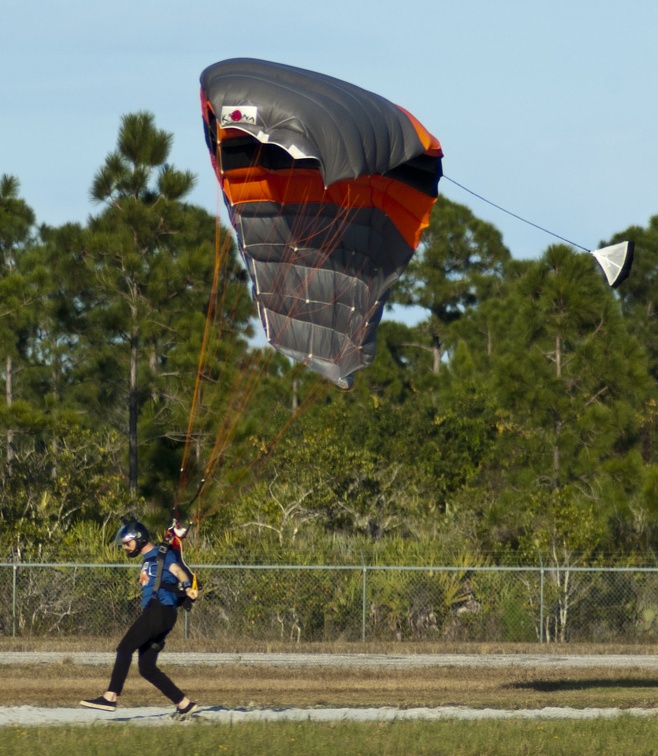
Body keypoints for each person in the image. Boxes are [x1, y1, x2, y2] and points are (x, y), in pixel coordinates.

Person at [80, 520, 199, 719]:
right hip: (160, 614)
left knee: (125, 647)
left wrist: (187, 586)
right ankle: (184, 703)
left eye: (127, 543)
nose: (125, 548)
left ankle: (110, 697)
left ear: (139, 538)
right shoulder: (149, 558)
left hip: (159, 610)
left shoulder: (162, 554)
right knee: (146, 667)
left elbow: (178, 571)